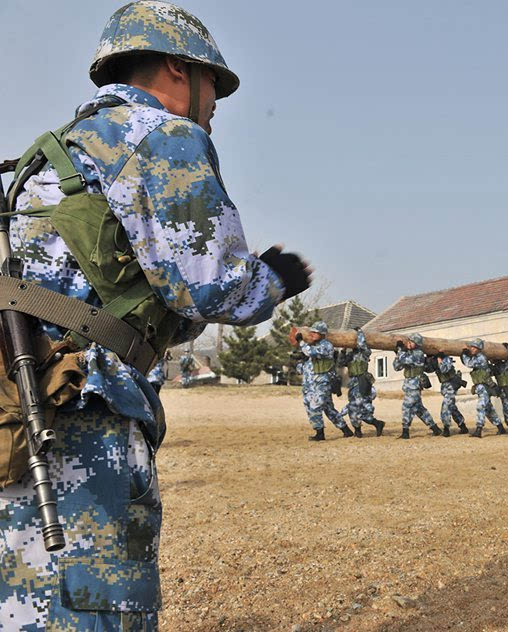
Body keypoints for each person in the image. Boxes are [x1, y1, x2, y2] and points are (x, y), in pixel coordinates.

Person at [0, 2, 310, 628]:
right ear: (177, 66)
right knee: (98, 606)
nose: (216, 102)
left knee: (28, 604)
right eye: (214, 84)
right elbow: (213, 286)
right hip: (87, 417)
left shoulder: (46, 159)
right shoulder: (160, 136)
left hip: (18, 410)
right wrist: (276, 280)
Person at [298, 322, 351, 440]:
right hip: (310, 386)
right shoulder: (312, 347)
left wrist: (302, 343)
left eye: (315, 332)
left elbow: (311, 352)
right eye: (311, 332)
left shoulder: (326, 345)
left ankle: (320, 434)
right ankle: (346, 431)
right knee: (329, 409)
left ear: (322, 334)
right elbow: (304, 368)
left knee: (315, 407)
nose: (312, 334)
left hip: (322, 384)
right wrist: (301, 361)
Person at [339, 328, 384, 437]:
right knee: (353, 408)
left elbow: (362, 345)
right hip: (353, 384)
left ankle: (377, 423)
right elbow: (340, 363)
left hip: (363, 383)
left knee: (364, 411)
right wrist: (344, 350)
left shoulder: (364, 353)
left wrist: (358, 333)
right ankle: (358, 430)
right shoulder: (350, 356)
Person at [394, 333, 439, 438]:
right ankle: (435, 429)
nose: (409, 343)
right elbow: (396, 367)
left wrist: (401, 350)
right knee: (419, 409)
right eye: (409, 341)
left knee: (406, 406)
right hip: (409, 385)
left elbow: (404, 359)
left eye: (412, 342)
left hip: (415, 385)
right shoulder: (407, 353)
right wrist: (399, 353)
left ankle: (405, 431)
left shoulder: (418, 354)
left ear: (417, 344)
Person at [459, 339, 505, 437]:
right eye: (471, 347)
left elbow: (469, 364)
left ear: (479, 349)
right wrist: (465, 355)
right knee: (488, 409)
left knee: (481, 406)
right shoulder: (477, 357)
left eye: (474, 347)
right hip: (481, 387)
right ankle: (501, 428)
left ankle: (478, 429)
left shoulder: (481, 358)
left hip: (485, 387)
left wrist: (464, 354)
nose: (472, 349)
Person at [428, 351, 469, 436]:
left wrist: (439, 360)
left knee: (446, 406)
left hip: (452, 385)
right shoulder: (435, 360)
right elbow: (429, 369)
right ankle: (462, 426)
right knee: (452, 407)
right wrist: (428, 360)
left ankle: (446, 428)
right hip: (445, 387)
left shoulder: (446, 359)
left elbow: (444, 369)